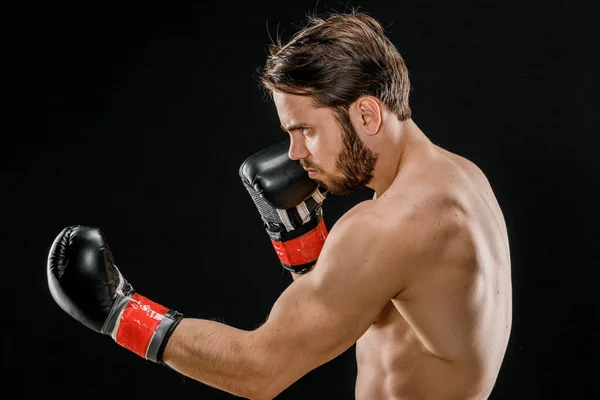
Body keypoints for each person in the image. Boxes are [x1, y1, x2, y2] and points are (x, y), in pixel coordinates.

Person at [46, 11, 512, 400]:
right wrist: (301, 236)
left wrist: (121, 313)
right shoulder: (459, 178)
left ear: (366, 114)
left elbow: (260, 370)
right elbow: (366, 308)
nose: (294, 154)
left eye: (305, 130)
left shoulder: (385, 226)